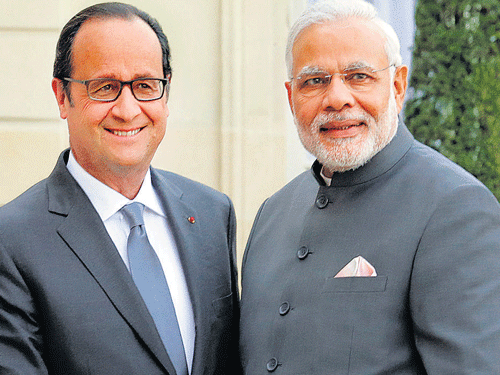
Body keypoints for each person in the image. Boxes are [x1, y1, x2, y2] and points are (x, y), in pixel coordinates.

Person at [239, 0, 500, 373]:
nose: (337, 98)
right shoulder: (272, 212)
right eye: (315, 80)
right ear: (291, 96)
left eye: (359, 76)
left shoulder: (454, 208)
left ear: (397, 86)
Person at [0, 3, 240, 374]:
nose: (127, 110)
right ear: (62, 96)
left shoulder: (211, 215)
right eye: (105, 87)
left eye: (145, 86)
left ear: (166, 93)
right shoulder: (12, 241)